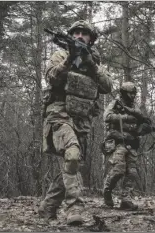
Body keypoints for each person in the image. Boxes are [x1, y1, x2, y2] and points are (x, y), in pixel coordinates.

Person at [39, 20, 113, 225]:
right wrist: (71, 58)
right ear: (71, 36)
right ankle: (74, 208)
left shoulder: (94, 62)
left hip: (82, 120)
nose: (80, 36)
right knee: (71, 156)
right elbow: (52, 78)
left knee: (72, 165)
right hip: (59, 114)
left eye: (84, 33)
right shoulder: (60, 55)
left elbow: (107, 86)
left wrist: (90, 63)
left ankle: (47, 208)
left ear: (91, 39)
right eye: (76, 33)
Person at [101, 81, 153, 210]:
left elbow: (142, 121)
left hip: (132, 143)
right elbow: (106, 116)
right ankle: (107, 191)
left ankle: (126, 199)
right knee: (118, 170)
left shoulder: (134, 107)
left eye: (134, 93)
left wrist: (143, 128)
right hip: (118, 141)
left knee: (132, 173)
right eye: (130, 93)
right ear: (124, 93)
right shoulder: (116, 104)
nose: (133, 96)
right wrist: (125, 117)